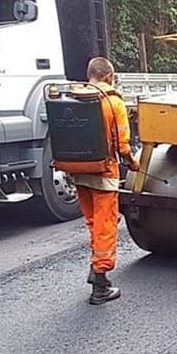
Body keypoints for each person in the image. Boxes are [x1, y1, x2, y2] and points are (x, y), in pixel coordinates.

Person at [71, 57, 140, 305]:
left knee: (93, 223)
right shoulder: (113, 102)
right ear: (109, 77)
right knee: (105, 225)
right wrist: (133, 163)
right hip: (104, 174)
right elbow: (122, 145)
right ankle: (100, 284)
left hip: (78, 172)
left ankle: (95, 267)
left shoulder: (74, 97)